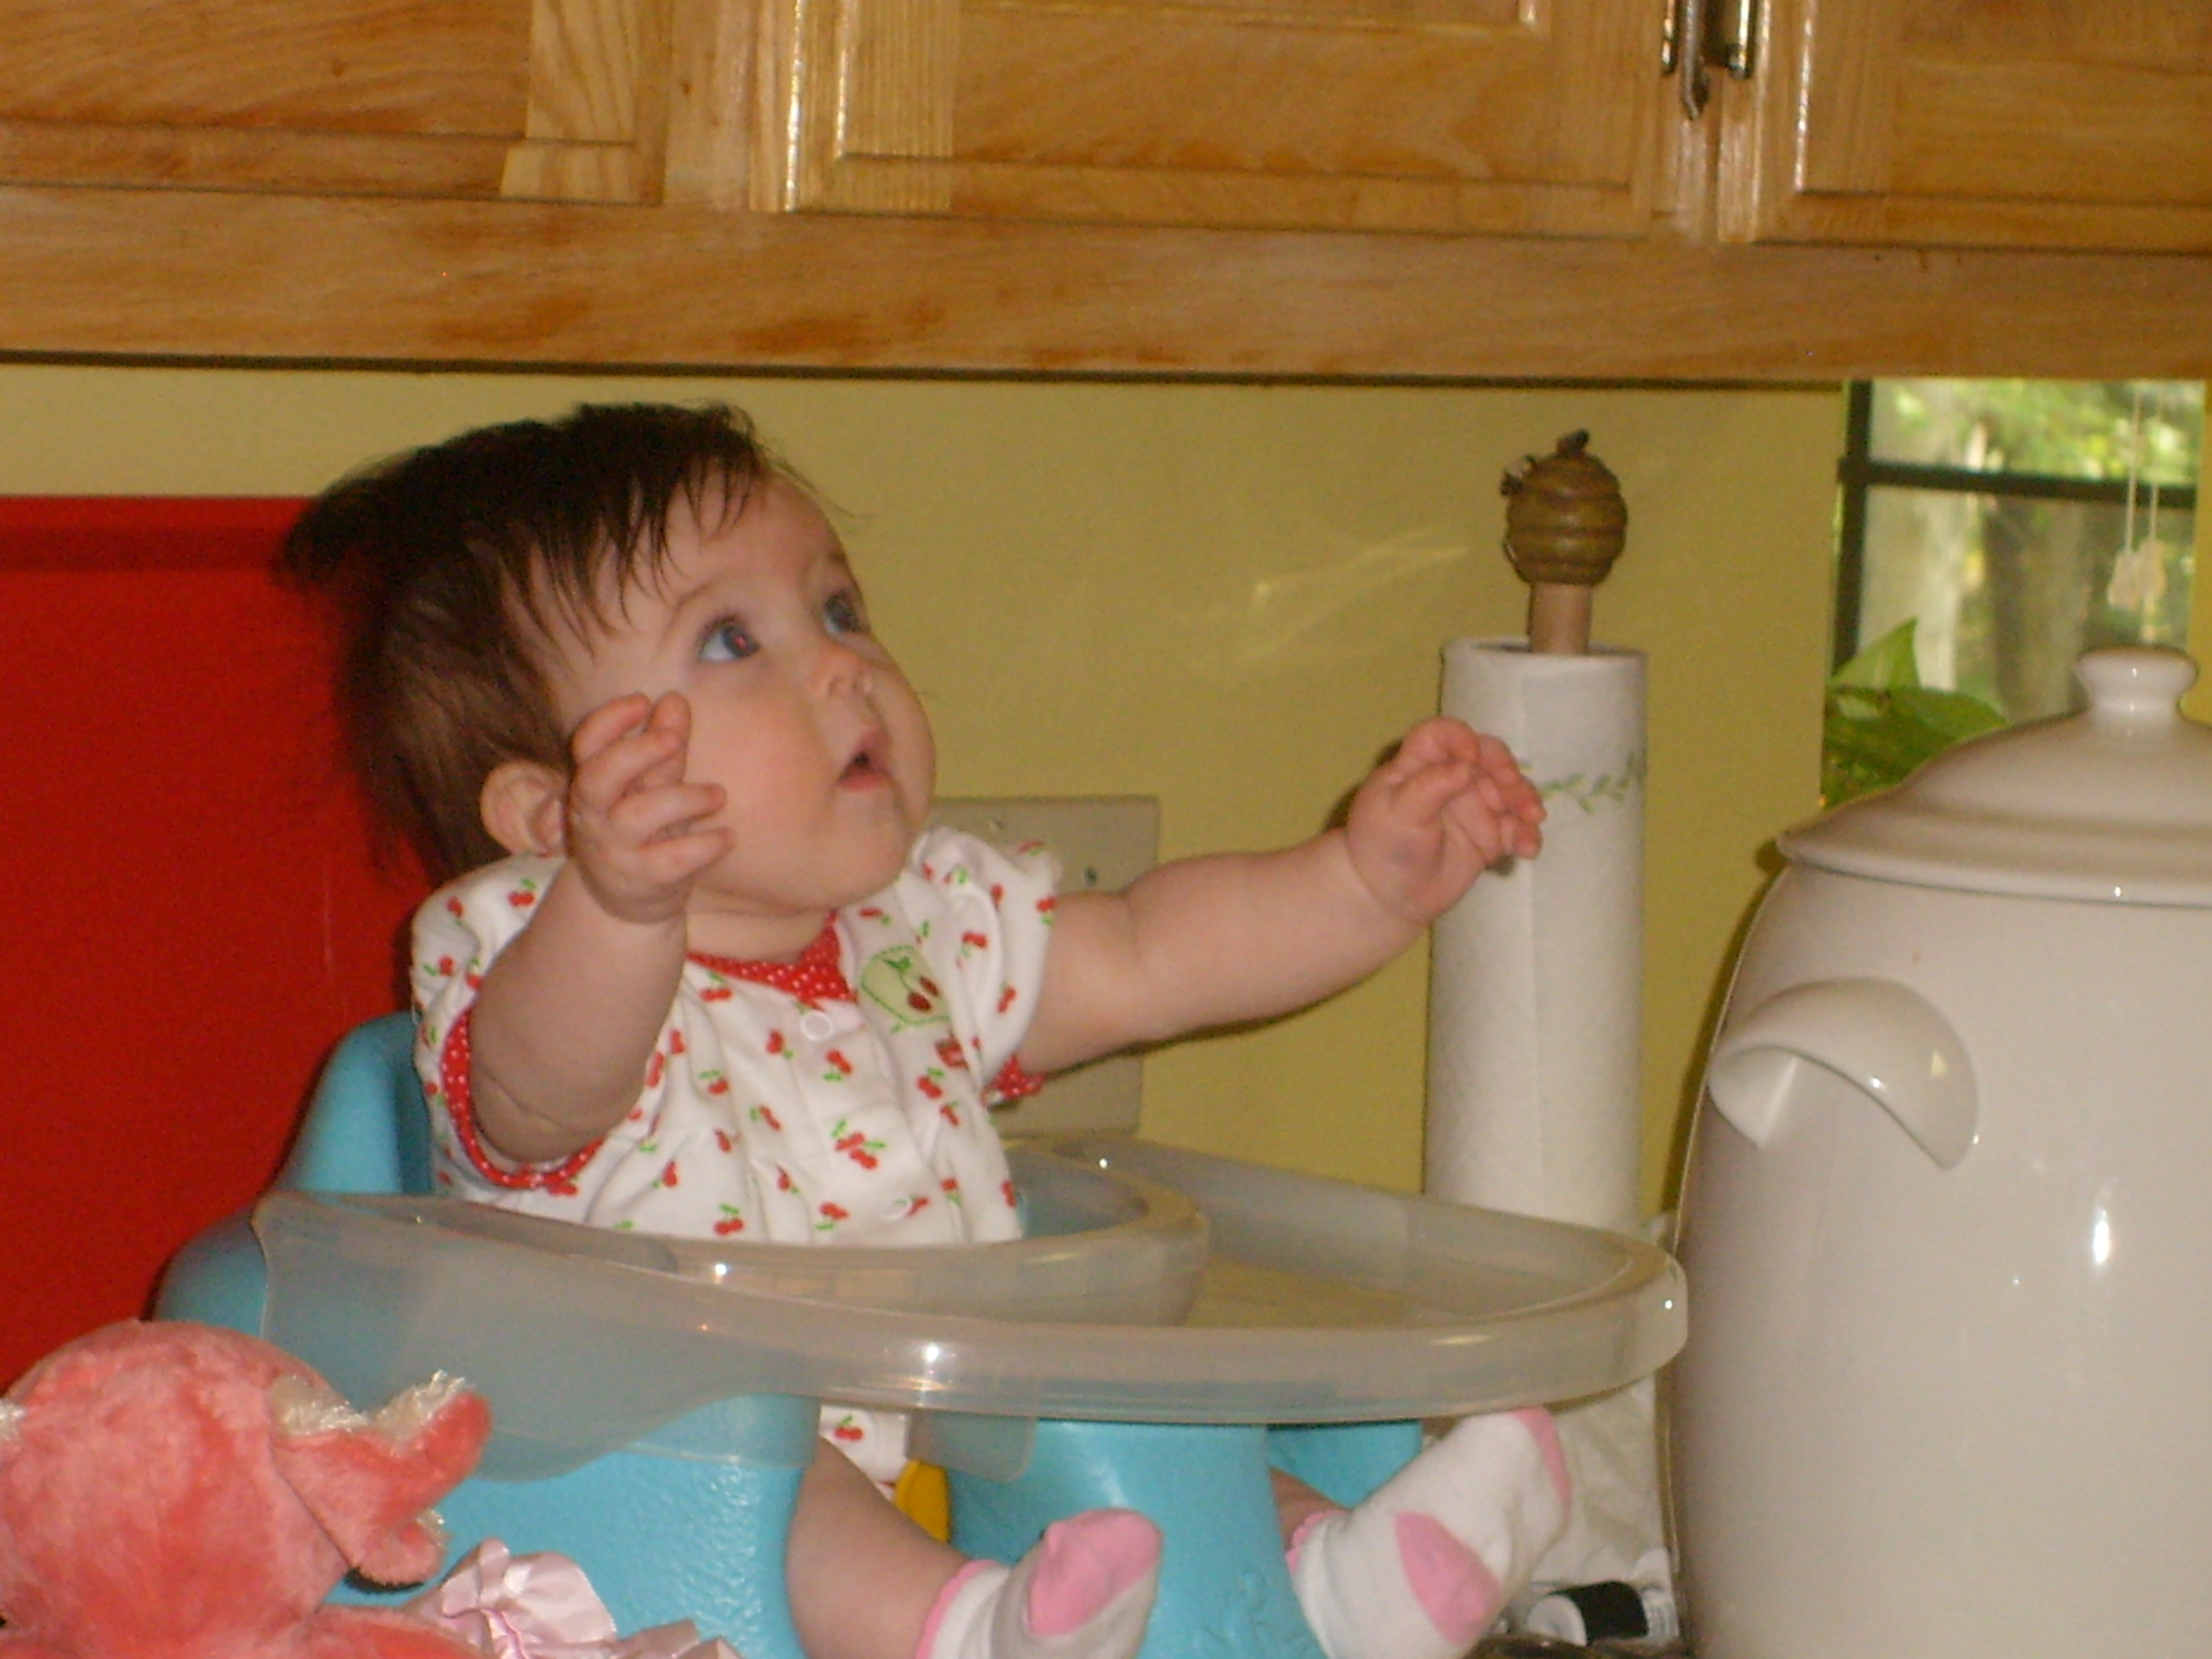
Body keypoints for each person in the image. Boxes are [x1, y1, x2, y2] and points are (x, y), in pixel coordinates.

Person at [284, 402, 1567, 1659]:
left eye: (838, 608)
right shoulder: (522, 948)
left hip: (957, 1414)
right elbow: (538, 1096)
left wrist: (1363, 881)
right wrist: (617, 906)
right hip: (661, 1448)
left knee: (1140, 1405)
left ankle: (1327, 1574)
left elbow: (1152, 954)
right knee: (771, 1467)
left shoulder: (922, 923)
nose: (841, 664)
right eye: (731, 639)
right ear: (549, 814)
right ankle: (960, 1631)